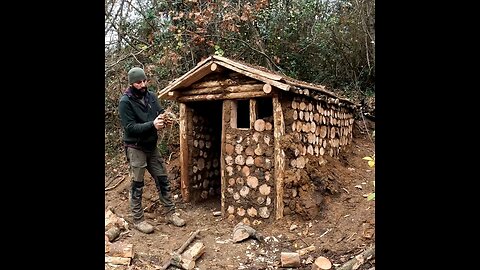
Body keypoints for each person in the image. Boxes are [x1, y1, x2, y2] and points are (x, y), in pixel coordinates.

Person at [118, 67, 185, 234]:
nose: (142, 84)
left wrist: (165, 117)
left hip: (151, 146)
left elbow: (159, 112)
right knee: (138, 183)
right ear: (131, 83)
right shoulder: (125, 102)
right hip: (135, 147)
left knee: (162, 178)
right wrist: (153, 125)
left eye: (144, 81)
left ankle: (171, 213)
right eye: (138, 82)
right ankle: (138, 219)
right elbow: (130, 127)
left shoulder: (151, 96)